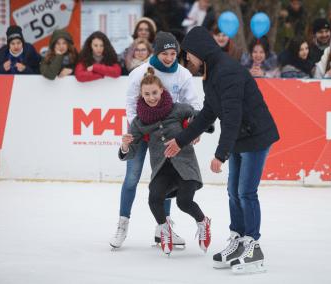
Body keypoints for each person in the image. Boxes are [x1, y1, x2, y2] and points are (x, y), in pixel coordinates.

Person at [164, 26, 279, 273]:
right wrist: (181, 140)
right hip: (240, 136)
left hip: (256, 136)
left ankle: (253, 247)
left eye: (188, 55)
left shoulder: (227, 72)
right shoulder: (211, 72)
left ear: (199, 51)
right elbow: (208, 113)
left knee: (246, 192)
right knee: (233, 191)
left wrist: (220, 154)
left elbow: (232, 115)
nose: (187, 61)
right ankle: (238, 239)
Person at [110, 31, 200, 249]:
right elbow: (131, 104)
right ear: (156, 52)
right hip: (141, 132)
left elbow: (193, 106)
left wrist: (192, 130)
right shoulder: (140, 72)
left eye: (173, 53)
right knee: (131, 178)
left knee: (166, 178)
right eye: (164, 54)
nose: (169, 58)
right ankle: (122, 225)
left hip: (169, 136)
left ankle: (163, 230)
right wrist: (140, 130)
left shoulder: (183, 74)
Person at [119, 67, 211, 255]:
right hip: (162, 170)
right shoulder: (139, 122)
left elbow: (200, 117)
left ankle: (203, 222)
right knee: (154, 199)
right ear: (141, 95)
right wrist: (125, 146)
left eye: (154, 92)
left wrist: (195, 127)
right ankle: (164, 229)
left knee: (184, 202)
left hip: (185, 166)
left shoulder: (176, 109)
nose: (151, 97)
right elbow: (132, 151)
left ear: (162, 90)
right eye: (147, 94)